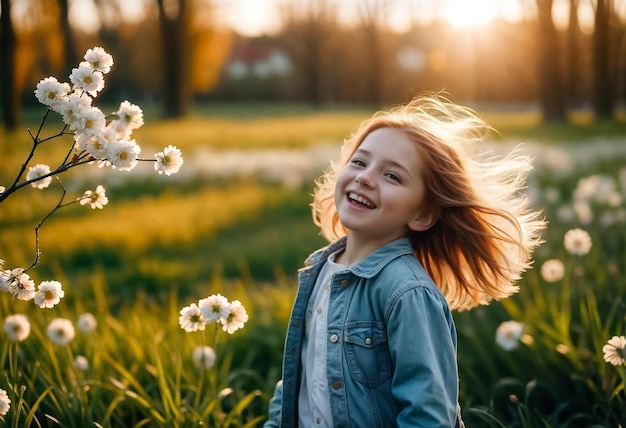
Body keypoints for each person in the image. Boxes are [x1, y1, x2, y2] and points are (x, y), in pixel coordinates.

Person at [263, 93, 546, 428]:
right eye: (359, 162)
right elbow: (300, 377)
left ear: (423, 215)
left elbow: (428, 413)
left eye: (392, 176)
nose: (365, 177)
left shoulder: (407, 292)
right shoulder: (319, 269)